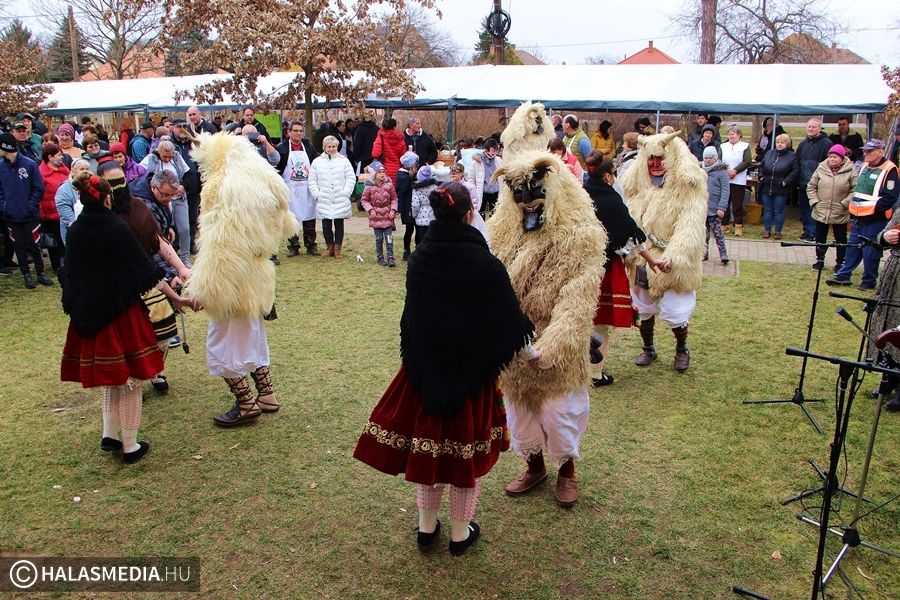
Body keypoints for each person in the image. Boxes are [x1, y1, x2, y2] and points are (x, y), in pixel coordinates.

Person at [353, 182, 534, 556]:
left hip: (426, 373)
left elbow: (413, 318)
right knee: (463, 458)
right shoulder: (486, 265)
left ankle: (426, 528)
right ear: (470, 215)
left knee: (431, 452)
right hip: (471, 378)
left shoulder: (421, 258)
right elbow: (510, 322)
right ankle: (459, 534)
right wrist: (534, 354)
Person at [487, 137, 607, 508]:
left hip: (557, 347)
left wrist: (551, 347)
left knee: (559, 413)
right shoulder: (503, 232)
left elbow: (577, 299)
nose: (528, 204)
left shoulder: (581, 236)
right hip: (514, 345)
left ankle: (567, 470)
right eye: (519, 197)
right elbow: (490, 283)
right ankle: (534, 466)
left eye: (535, 196)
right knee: (521, 411)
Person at [188, 132, 299, 426]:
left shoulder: (223, 188)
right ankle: (267, 395)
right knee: (253, 337)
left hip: (233, 280)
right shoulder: (264, 182)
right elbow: (285, 225)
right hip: (258, 274)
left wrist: (205, 289)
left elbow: (221, 245)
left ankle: (246, 403)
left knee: (222, 345)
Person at [60, 173, 165, 464]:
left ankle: (109, 435)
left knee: (113, 379)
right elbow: (143, 271)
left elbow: (70, 275)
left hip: (92, 316)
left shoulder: (76, 230)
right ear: (107, 198)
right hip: (122, 315)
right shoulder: (116, 228)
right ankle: (130, 446)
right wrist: (175, 296)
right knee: (131, 380)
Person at [621, 130, 708, 373]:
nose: (656, 164)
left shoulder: (688, 191)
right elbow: (628, 223)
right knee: (643, 307)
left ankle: (682, 349)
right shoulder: (640, 190)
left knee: (675, 310)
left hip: (673, 261)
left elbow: (690, 227)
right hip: (642, 258)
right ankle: (648, 348)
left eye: (661, 158)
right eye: (651, 158)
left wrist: (674, 256)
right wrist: (630, 251)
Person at [584, 153, 668, 387]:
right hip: (606, 269)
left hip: (582, 268)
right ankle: (595, 373)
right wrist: (652, 260)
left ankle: (581, 369)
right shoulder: (612, 201)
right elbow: (631, 236)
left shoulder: (581, 196)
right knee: (600, 321)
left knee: (583, 318)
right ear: (608, 176)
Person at [827, 139, 898, 291]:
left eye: (870, 151)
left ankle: (869, 280)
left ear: (880, 152)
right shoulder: (864, 165)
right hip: (858, 216)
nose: (865, 154)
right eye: (865, 151)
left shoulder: (890, 169)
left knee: (870, 251)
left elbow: (890, 197)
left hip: (875, 218)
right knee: (852, 247)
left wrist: (876, 209)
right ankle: (844, 275)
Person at [0, 132, 52, 289]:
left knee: (35, 245)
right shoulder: (1, 167)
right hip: (11, 216)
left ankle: (40, 273)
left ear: (5, 147)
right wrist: (4, 206)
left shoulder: (29, 164)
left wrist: (31, 205)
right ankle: (26, 275)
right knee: (18, 246)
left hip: (30, 215)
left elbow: (38, 188)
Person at [140, 140, 191, 265]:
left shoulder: (177, 158)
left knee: (184, 228)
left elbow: (189, 174)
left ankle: (185, 257)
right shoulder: (151, 159)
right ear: (159, 152)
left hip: (178, 197)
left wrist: (183, 185)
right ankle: (169, 258)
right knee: (165, 229)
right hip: (160, 199)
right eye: (164, 157)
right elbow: (140, 172)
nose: (167, 159)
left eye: (170, 156)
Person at [808, 145, 856, 272]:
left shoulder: (851, 170)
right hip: (821, 208)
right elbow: (811, 186)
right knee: (820, 236)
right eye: (830, 157)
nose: (832, 159)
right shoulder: (821, 168)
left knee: (840, 238)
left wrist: (844, 203)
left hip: (840, 210)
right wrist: (815, 202)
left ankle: (840, 262)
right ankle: (820, 260)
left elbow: (855, 190)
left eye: (835, 157)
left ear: (842, 158)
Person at [276, 120, 320, 257]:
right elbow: (277, 169)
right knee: (291, 218)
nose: (298, 133)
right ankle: (293, 246)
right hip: (290, 189)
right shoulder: (282, 148)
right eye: (295, 130)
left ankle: (311, 244)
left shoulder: (308, 146)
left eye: (301, 131)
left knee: (309, 216)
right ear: (289, 132)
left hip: (306, 188)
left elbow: (315, 164)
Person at [309, 135, 355, 258]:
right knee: (326, 225)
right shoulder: (317, 162)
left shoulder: (344, 161)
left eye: (333, 146)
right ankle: (330, 247)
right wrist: (317, 195)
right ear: (324, 147)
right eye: (329, 147)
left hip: (340, 197)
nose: (331, 149)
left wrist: (346, 192)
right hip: (324, 197)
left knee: (339, 224)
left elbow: (350, 178)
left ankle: (337, 248)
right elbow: (312, 180)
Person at [872, 210, 900, 411]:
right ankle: (889, 377)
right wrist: (885, 237)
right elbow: (880, 237)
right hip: (893, 274)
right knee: (888, 327)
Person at [795, 118, 832, 241]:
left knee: (814, 208)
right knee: (804, 207)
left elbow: (828, 163)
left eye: (814, 127)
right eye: (809, 127)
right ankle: (807, 231)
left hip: (817, 183)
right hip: (803, 181)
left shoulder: (826, 143)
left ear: (820, 129)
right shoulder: (803, 144)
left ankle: (814, 233)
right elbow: (797, 160)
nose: (811, 129)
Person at [757, 133, 799, 240]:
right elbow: (762, 165)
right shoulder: (770, 153)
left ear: (787, 144)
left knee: (778, 210)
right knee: (767, 209)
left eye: (782, 142)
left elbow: (795, 171)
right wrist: (761, 176)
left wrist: (786, 181)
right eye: (778, 142)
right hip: (767, 185)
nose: (779, 144)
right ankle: (767, 230)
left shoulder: (792, 156)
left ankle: (778, 231)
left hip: (781, 187)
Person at [360, 161, 399, 267]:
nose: (382, 174)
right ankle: (380, 257)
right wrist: (370, 210)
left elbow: (394, 199)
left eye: (383, 172)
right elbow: (364, 200)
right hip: (376, 217)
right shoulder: (369, 187)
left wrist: (393, 210)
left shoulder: (389, 185)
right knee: (379, 239)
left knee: (389, 237)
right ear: (374, 174)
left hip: (388, 216)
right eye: (379, 172)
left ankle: (390, 257)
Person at [38, 143, 69, 273]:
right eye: (59, 155)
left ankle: (67, 262)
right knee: (55, 241)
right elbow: (39, 195)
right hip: (50, 213)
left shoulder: (64, 169)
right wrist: (41, 215)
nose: (62, 157)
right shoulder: (41, 173)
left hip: (64, 211)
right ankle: (57, 265)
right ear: (50, 157)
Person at [719, 126, 752, 236]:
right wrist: (727, 170)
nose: (731, 136)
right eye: (729, 134)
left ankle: (738, 225)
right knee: (725, 203)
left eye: (733, 134)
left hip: (738, 180)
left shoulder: (745, 146)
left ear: (739, 135)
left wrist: (735, 171)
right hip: (725, 178)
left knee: (737, 204)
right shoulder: (723, 146)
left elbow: (747, 161)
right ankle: (724, 224)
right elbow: (719, 160)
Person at [448, 161, 489, 247]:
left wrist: (469, 214)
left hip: (468, 215)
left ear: (462, 173)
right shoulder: (448, 186)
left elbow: (474, 202)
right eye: (452, 171)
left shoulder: (470, 186)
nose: (453, 173)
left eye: (456, 171)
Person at [702, 145, 731, 265]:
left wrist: (722, 207)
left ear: (715, 158)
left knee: (718, 233)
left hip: (715, 209)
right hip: (703, 208)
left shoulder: (721, 172)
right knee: (703, 233)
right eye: (706, 158)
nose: (708, 160)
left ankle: (723, 254)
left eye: (710, 158)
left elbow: (725, 191)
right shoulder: (700, 170)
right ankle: (703, 253)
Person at [56, 159, 90, 248]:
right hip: (73, 230)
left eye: (87, 169)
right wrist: (79, 225)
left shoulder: (92, 185)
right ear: (73, 171)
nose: (85, 171)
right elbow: (64, 209)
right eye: (81, 169)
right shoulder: (64, 189)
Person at [471, 138, 502, 216]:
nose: (493, 154)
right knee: (480, 214)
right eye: (492, 151)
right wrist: (473, 192)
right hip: (482, 192)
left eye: (495, 151)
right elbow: (471, 178)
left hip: (495, 192)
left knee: (495, 214)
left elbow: (502, 177)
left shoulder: (498, 161)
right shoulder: (476, 162)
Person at [397, 151, 419, 260]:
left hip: (413, 207)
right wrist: (400, 209)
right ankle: (407, 251)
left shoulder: (409, 175)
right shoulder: (404, 177)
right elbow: (401, 194)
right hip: (408, 208)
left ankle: (416, 250)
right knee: (410, 230)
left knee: (416, 230)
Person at [372, 118, 406, 185]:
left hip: (383, 171)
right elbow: (403, 159)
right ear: (394, 126)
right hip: (397, 171)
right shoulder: (401, 139)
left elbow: (375, 154)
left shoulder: (381, 136)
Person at [411, 164, 437, 247]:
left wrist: (414, 215)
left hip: (421, 218)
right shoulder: (436, 188)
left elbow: (415, 205)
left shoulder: (416, 190)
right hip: (434, 217)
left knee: (423, 240)